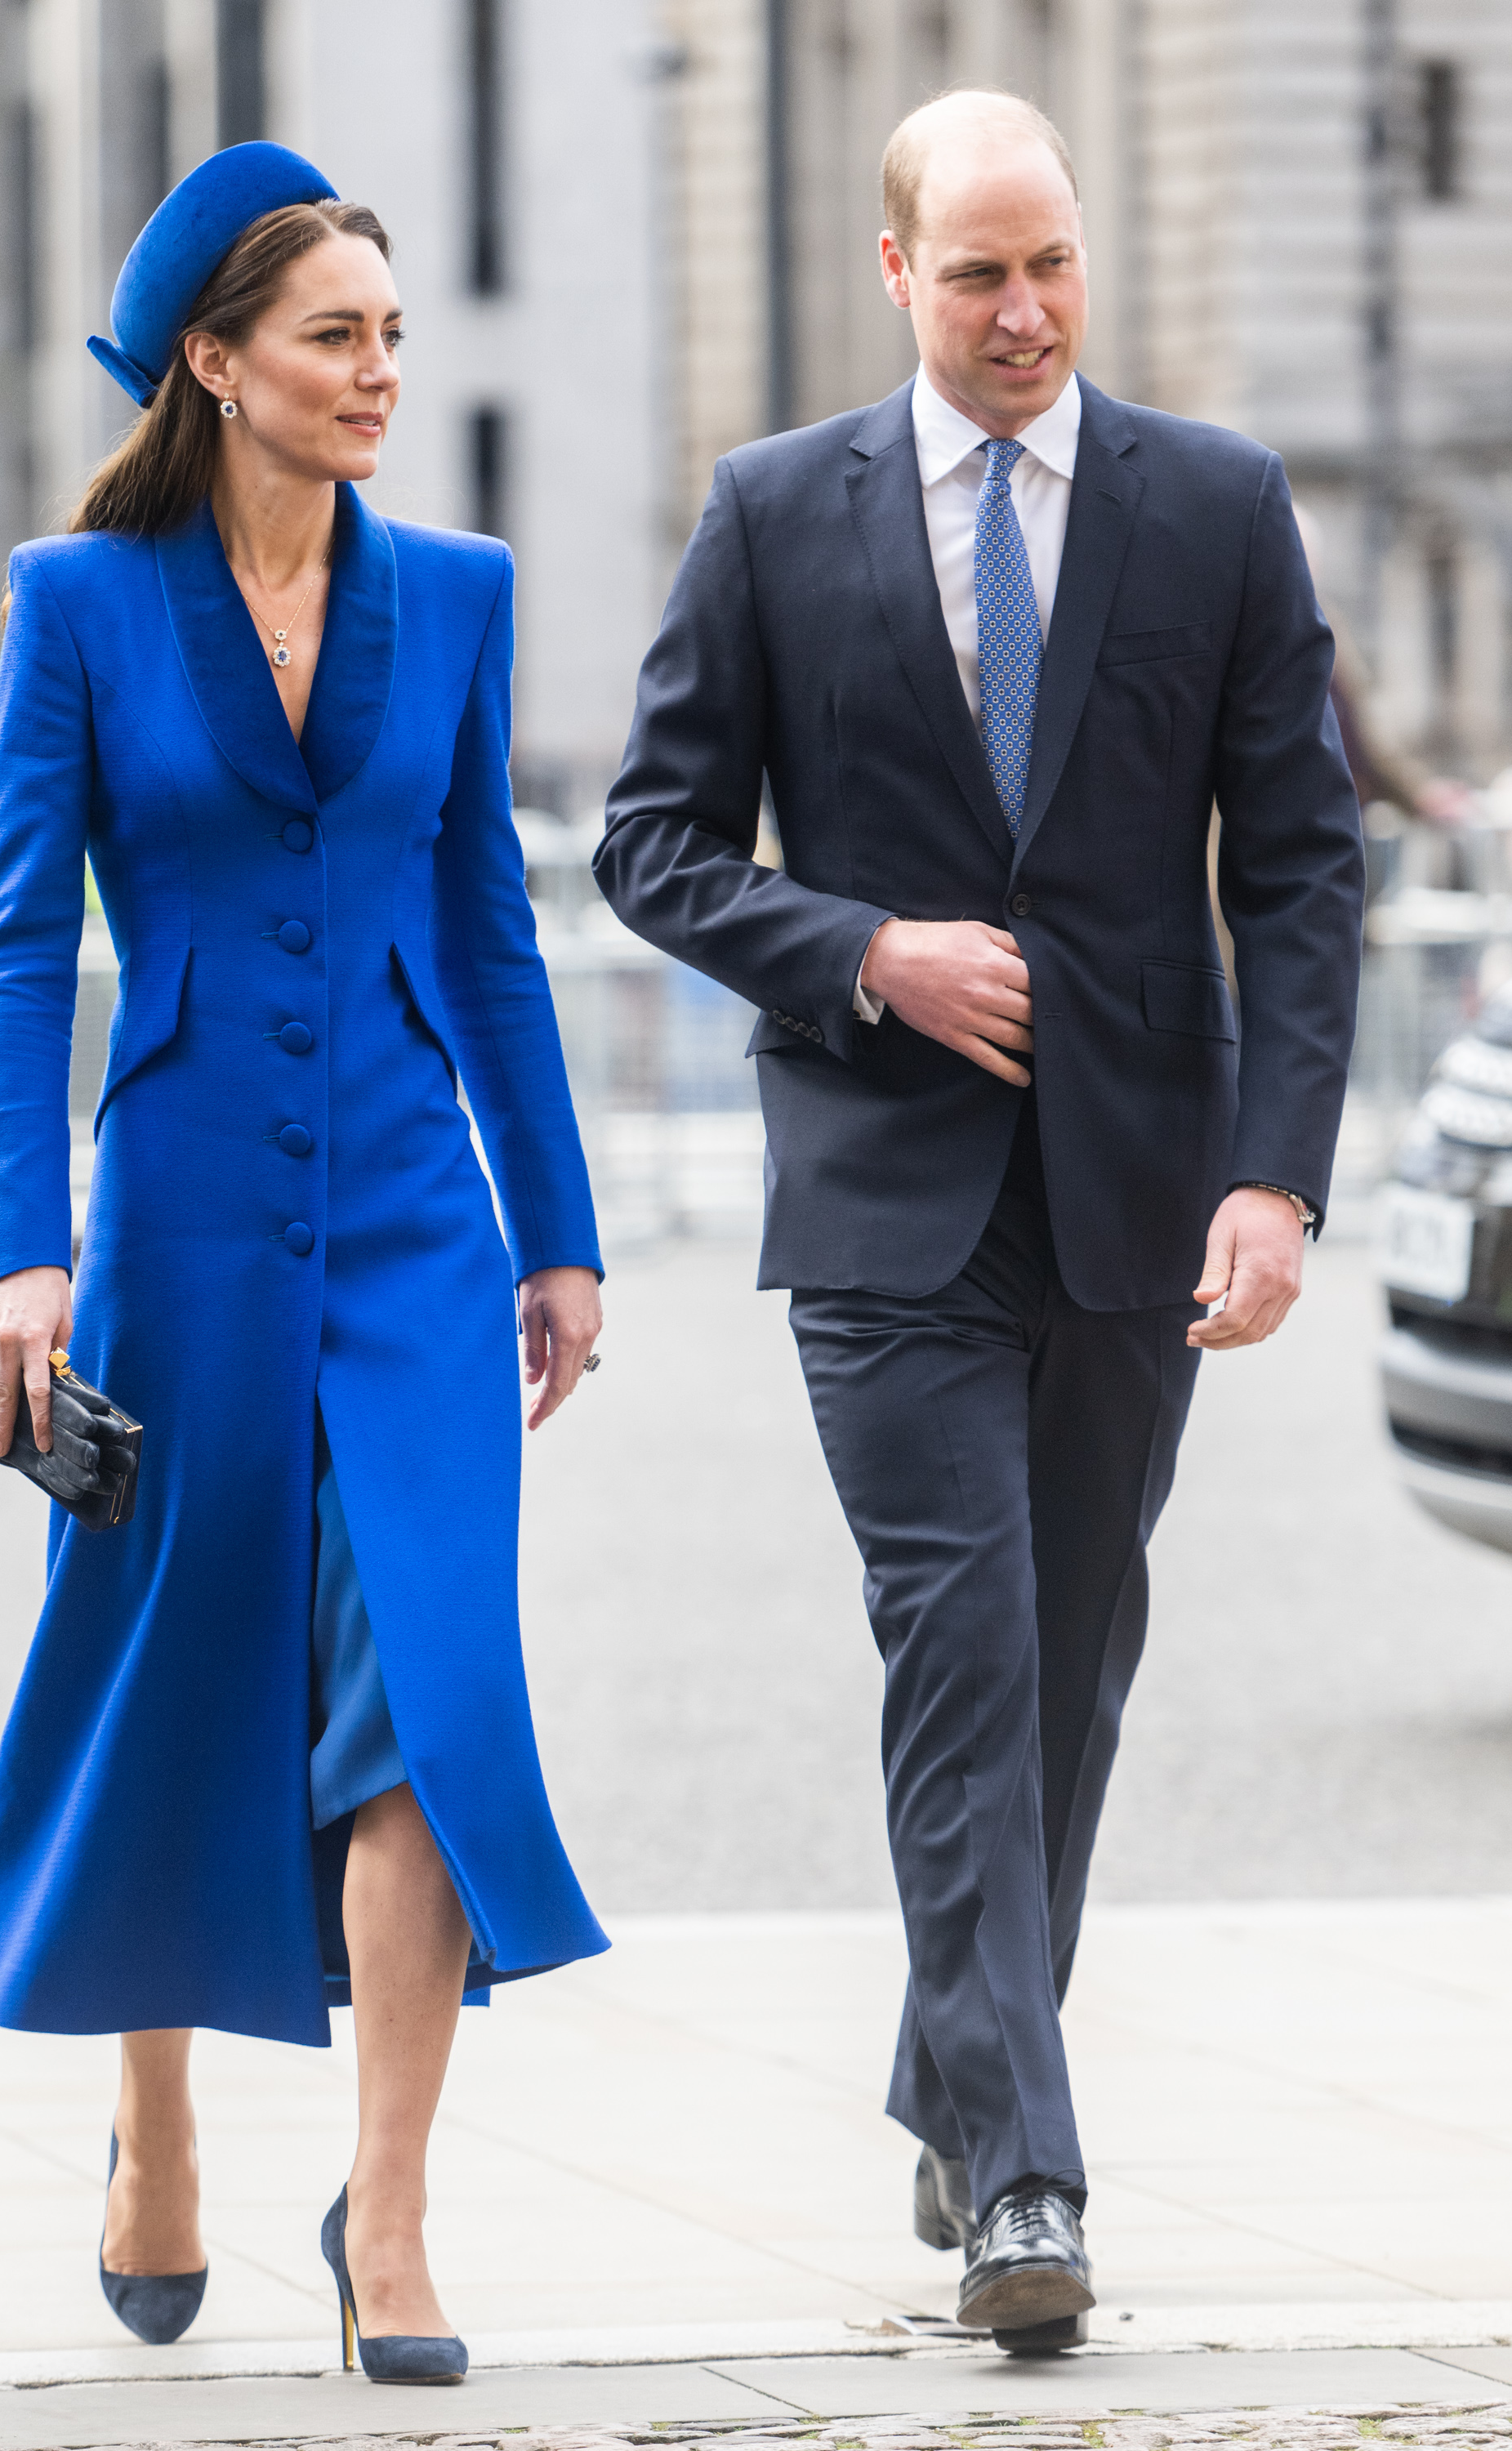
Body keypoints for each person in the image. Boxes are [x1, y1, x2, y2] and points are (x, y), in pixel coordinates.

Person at [595, 91, 1363, 2352]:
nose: (1023, 314)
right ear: (892, 272)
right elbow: (655, 840)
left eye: (1052, 268)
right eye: (977, 275)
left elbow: (1304, 866)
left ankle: (958, 2061)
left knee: (1073, 1660)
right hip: (880, 1197)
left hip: (1140, 1193)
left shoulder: (1209, 508)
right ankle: (1025, 2179)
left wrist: (1273, 1171)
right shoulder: (767, 518)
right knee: (960, 1647)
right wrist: (862, 953)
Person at [0, 143, 607, 2383]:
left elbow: (494, 937)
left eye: (392, 334)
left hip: (417, 1221)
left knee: (428, 1692)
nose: (377, 371)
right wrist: (20, 1260)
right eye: (333, 336)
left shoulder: (462, 588)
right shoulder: (81, 601)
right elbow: (26, 944)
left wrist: (564, 1238)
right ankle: (155, 2132)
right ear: (213, 364)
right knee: (171, 1674)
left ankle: (393, 2228)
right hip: (186, 1225)